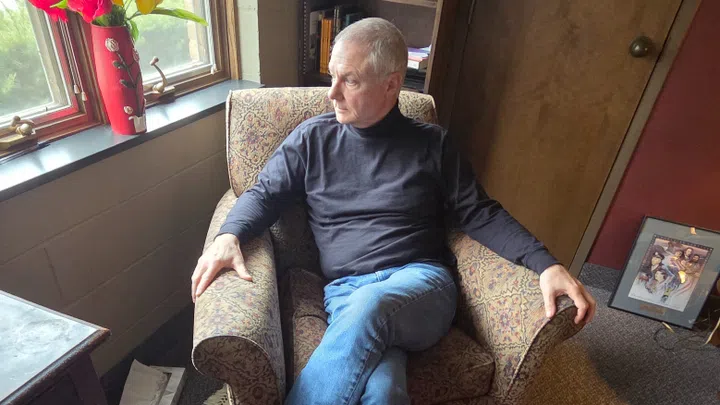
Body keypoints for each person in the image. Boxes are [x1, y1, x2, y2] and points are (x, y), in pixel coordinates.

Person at [190, 18, 596, 405]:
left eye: (350, 80)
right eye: (333, 76)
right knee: (383, 392)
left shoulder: (434, 145)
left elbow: (481, 213)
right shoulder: (312, 140)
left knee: (373, 307)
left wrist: (545, 264)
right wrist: (229, 234)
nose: (332, 93)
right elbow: (264, 194)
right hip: (346, 292)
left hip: (422, 285)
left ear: (391, 84)